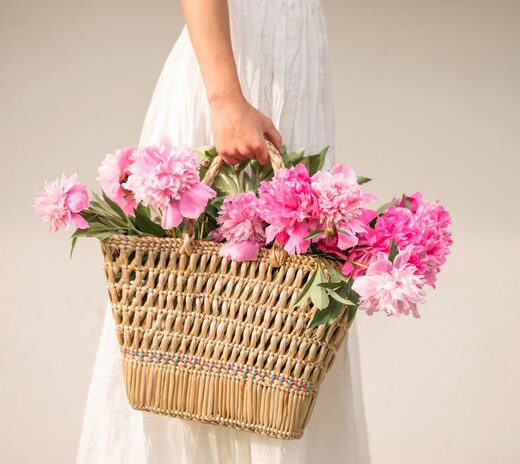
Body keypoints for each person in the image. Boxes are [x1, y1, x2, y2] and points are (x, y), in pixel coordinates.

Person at [76, 1, 371, 463]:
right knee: (184, 307)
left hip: (292, 71)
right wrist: (225, 99)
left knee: (283, 327)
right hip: (233, 71)